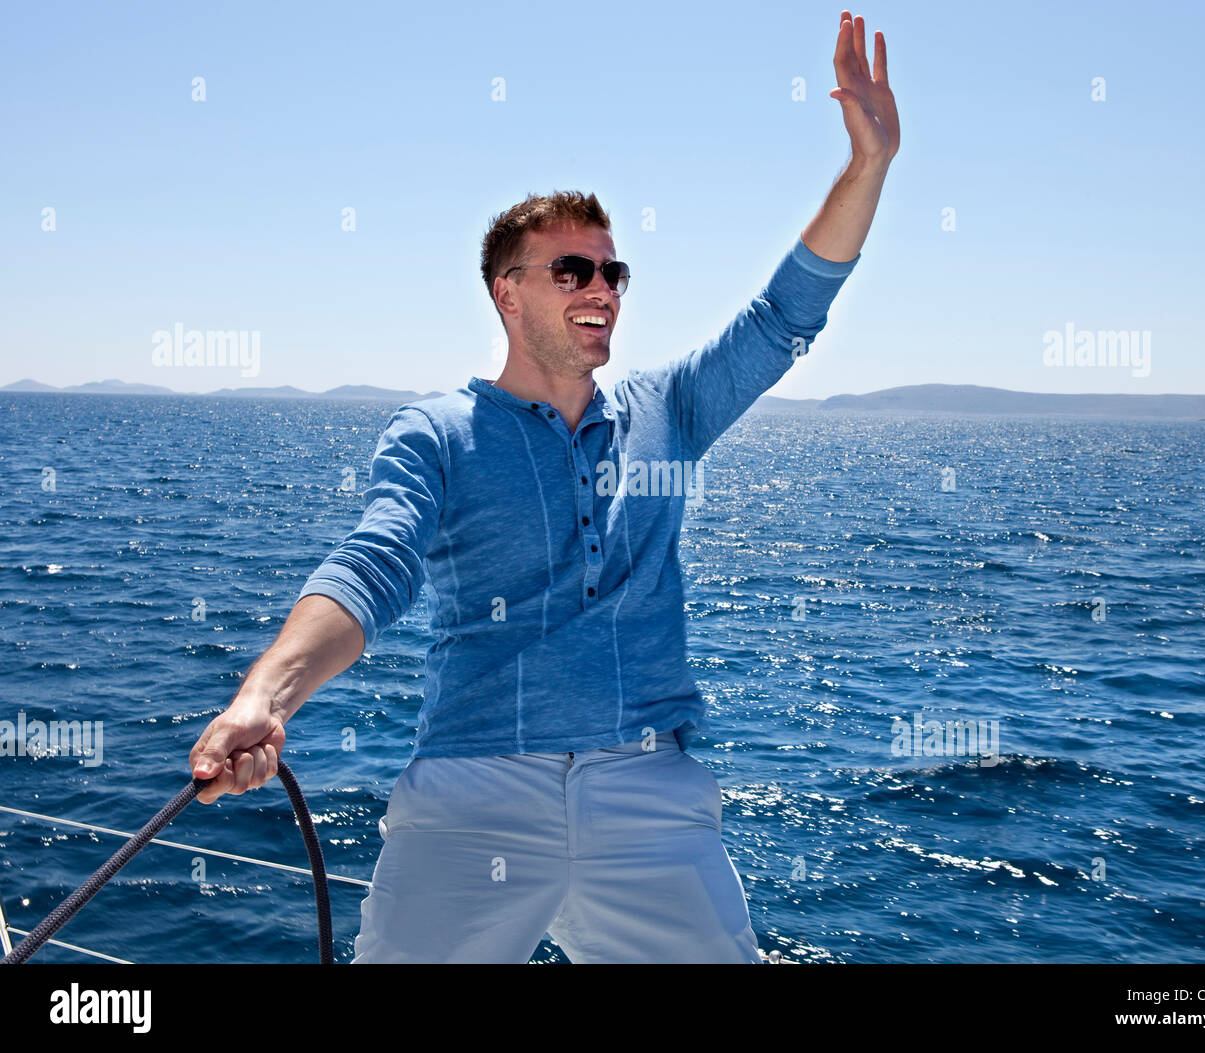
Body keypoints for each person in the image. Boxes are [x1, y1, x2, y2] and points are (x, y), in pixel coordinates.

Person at [187, 10, 899, 963]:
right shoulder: (439, 433)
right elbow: (374, 566)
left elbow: (784, 315)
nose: (600, 285)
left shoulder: (671, 411)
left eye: (613, 269)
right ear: (507, 292)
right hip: (475, 788)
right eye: (572, 268)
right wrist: (264, 699)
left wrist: (870, 164)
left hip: (650, 793)